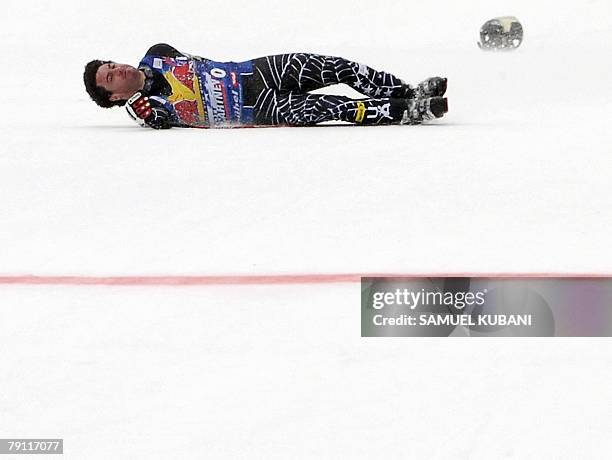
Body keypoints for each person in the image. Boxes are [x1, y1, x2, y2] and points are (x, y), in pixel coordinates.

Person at [83, 43, 448, 129]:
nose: (118, 69)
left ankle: (402, 90)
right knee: (335, 108)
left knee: (336, 67)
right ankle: (404, 111)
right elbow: (158, 121)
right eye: (110, 77)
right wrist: (140, 110)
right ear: (114, 96)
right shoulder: (148, 110)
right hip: (259, 108)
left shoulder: (156, 52)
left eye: (111, 65)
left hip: (257, 72)